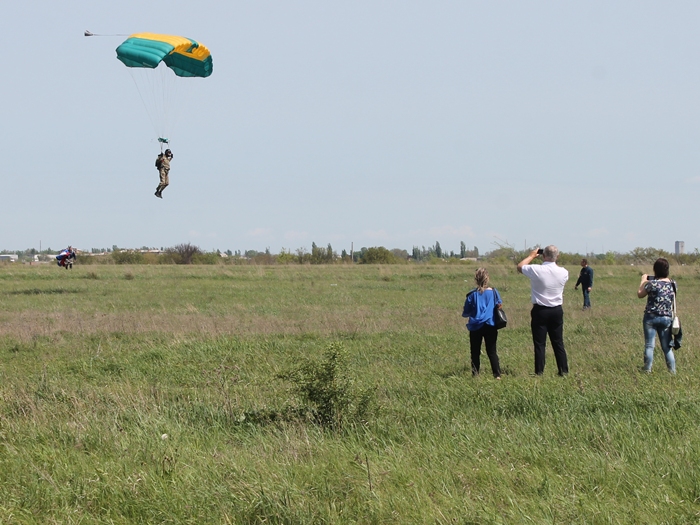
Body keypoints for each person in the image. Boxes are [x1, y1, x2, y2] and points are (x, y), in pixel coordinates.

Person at [517, 245, 569, 376]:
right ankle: (563, 371)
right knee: (558, 342)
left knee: (540, 343)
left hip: (540, 310)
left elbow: (520, 266)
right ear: (557, 256)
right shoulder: (564, 272)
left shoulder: (536, 270)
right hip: (556, 310)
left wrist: (531, 256)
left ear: (543, 256)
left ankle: (539, 372)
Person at [462, 268, 503, 379]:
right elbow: (499, 305)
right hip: (490, 324)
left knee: (475, 352)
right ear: (487, 278)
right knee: (492, 351)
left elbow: (466, 312)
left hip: (475, 326)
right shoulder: (494, 292)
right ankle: (497, 374)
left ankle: (475, 374)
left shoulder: (471, 294)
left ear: (476, 279)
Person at [637, 258, 676, 374]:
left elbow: (640, 294)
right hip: (666, 318)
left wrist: (643, 281)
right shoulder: (673, 284)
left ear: (655, 270)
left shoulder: (652, 284)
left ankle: (647, 370)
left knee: (649, 346)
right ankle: (672, 372)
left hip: (651, 317)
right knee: (667, 348)